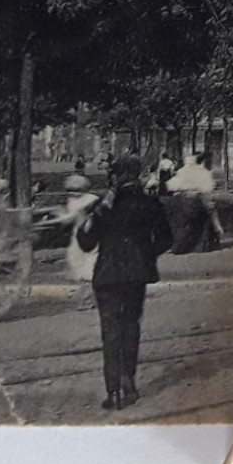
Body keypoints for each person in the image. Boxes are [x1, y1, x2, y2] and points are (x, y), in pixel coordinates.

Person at [75, 156, 174, 411]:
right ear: (138, 174)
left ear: (114, 177)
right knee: (131, 327)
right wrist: (145, 254)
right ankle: (129, 381)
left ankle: (113, 391)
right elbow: (166, 239)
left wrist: (98, 212)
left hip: (107, 276)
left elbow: (85, 242)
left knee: (110, 331)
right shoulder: (150, 203)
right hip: (136, 276)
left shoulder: (104, 205)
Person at [168, 152, 224, 251]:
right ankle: (210, 236)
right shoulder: (203, 172)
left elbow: (171, 186)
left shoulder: (181, 172)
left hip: (181, 199)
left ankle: (178, 243)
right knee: (209, 211)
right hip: (196, 199)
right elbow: (208, 188)